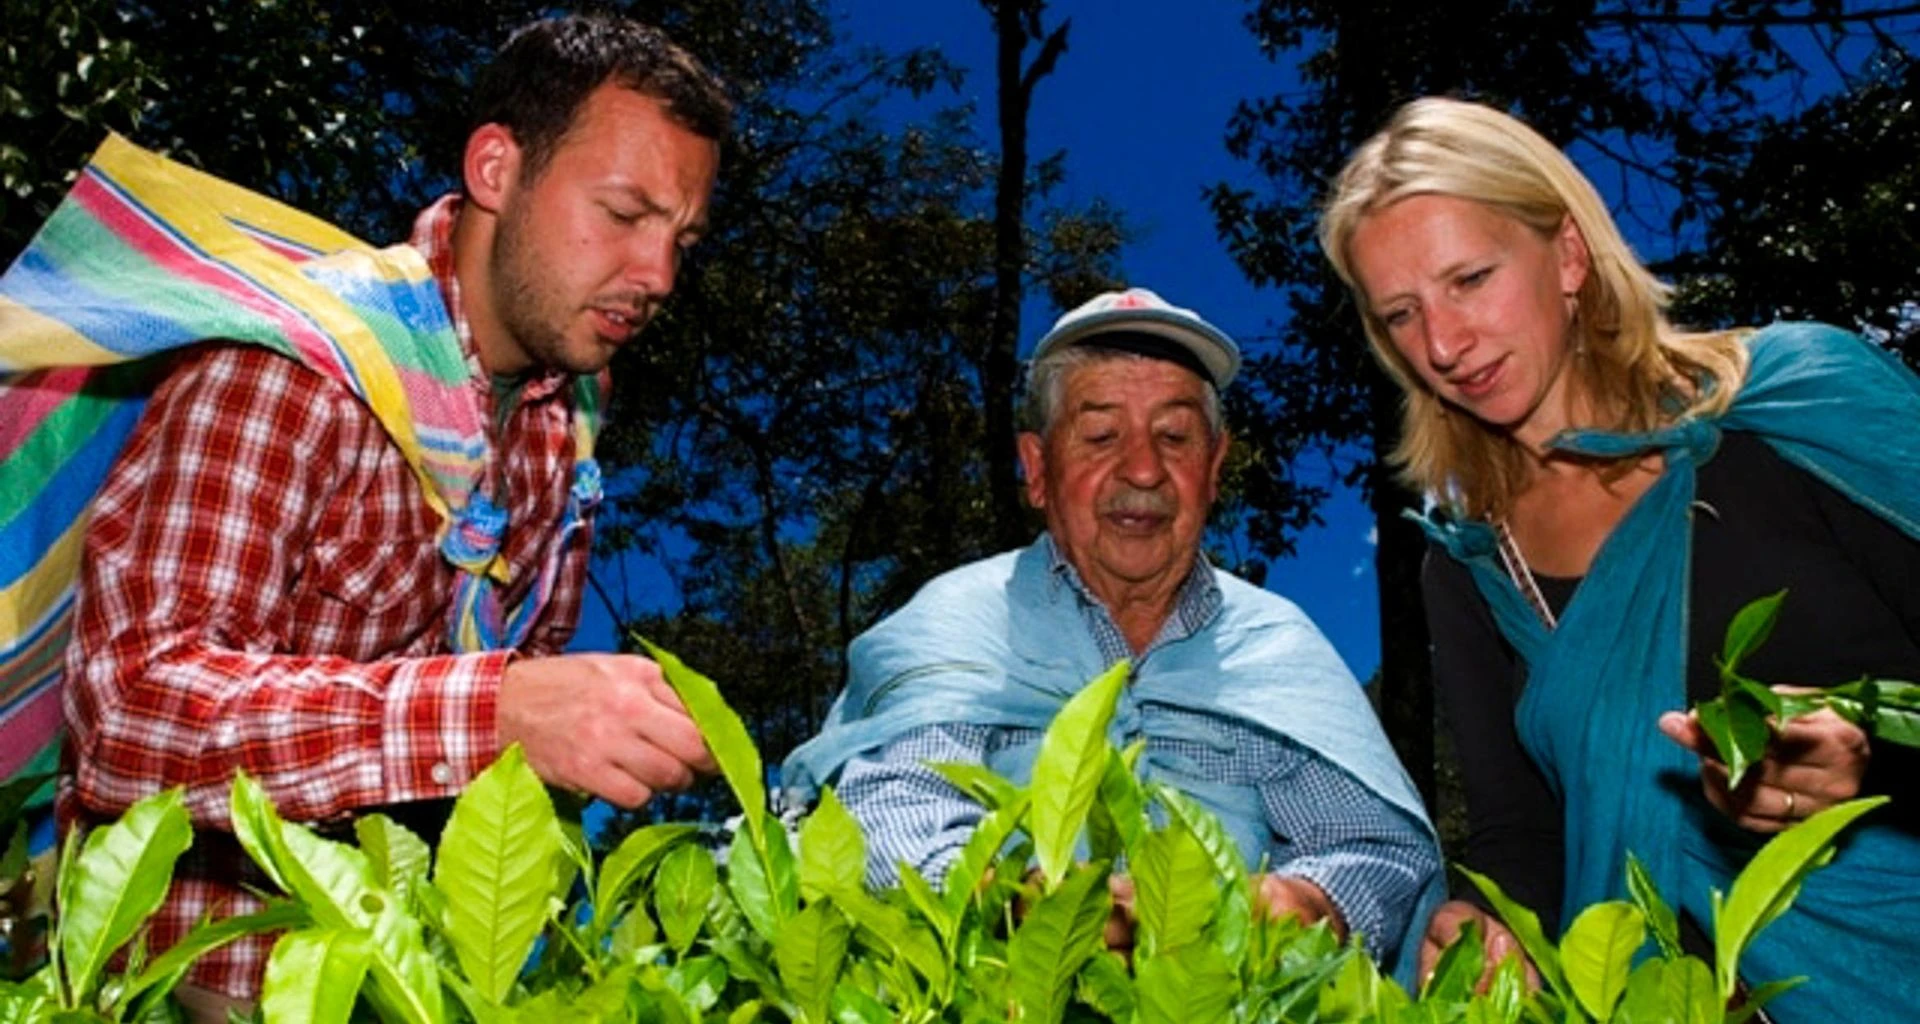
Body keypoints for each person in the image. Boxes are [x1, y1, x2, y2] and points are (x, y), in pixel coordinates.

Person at [0, 14, 730, 1008]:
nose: (658, 277)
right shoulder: (290, 366)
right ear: (496, 168)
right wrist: (498, 709)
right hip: (189, 981)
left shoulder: (563, 429)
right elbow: (129, 714)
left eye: (679, 238)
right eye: (622, 213)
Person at [1318, 96, 1920, 1019]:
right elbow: (1523, 830)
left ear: (1566, 254)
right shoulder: (1474, 568)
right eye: (1402, 313)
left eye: (1471, 278)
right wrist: (1484, 918)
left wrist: (1873, 757)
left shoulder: (1796, 411)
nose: (1443, 343)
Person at [783, 287, 1443, 978]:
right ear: (1037, 470)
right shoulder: (955, 622)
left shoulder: (1280, 646)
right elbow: (885, 806)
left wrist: (1303, 904)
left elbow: (1376, 848)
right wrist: (1019, 904)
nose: (1143, 470)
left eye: (1175, 437)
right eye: (1101, 436)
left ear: (1214, 468)